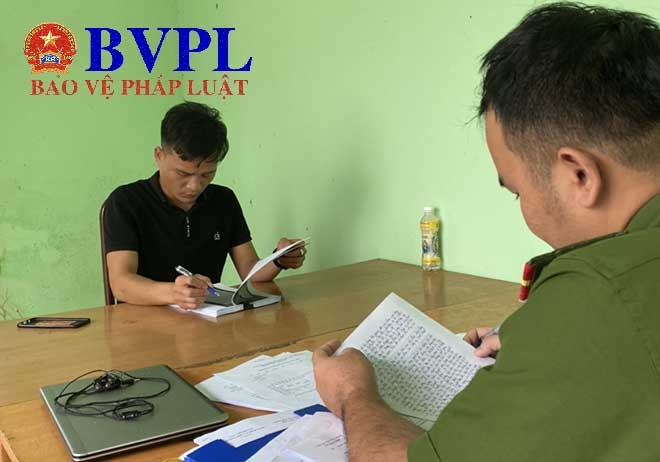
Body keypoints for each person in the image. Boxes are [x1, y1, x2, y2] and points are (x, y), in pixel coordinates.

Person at [313, 3, 660, 461]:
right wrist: (546, 340)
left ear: (578, 175)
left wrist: (352, 393)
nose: (523, 207)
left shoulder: (600, 291)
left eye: (516, 191)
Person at [103, 102, 306, 308]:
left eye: (207, 174)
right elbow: (121, 284)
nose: (195, 186)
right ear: (159, 156)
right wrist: (174, 293)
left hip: (209, 318)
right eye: (183, 173)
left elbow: (250, 271)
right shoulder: (126, 202)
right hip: (142, 320)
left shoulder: (223, 201)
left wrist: (279, 259)